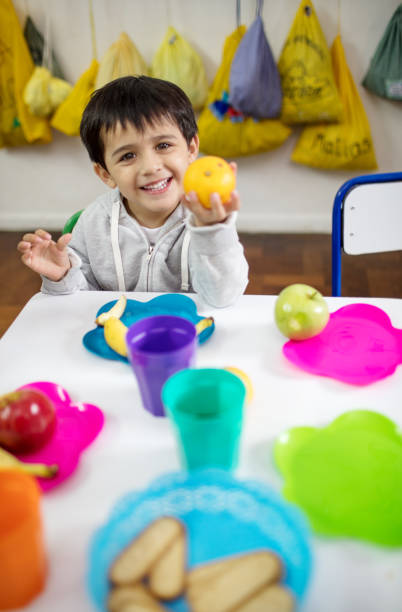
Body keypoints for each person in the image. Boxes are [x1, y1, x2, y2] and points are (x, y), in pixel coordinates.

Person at [17, 76, 249, 307]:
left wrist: (211, 233)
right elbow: (81, 303)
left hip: (189, 336)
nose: (150, 167)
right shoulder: (93, 222)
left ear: (191, 149)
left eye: (163, 145)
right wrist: (63, 275)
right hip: (115, 340)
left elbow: (222, 298)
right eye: (128, 156)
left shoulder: (207, 220)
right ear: (105, 173)